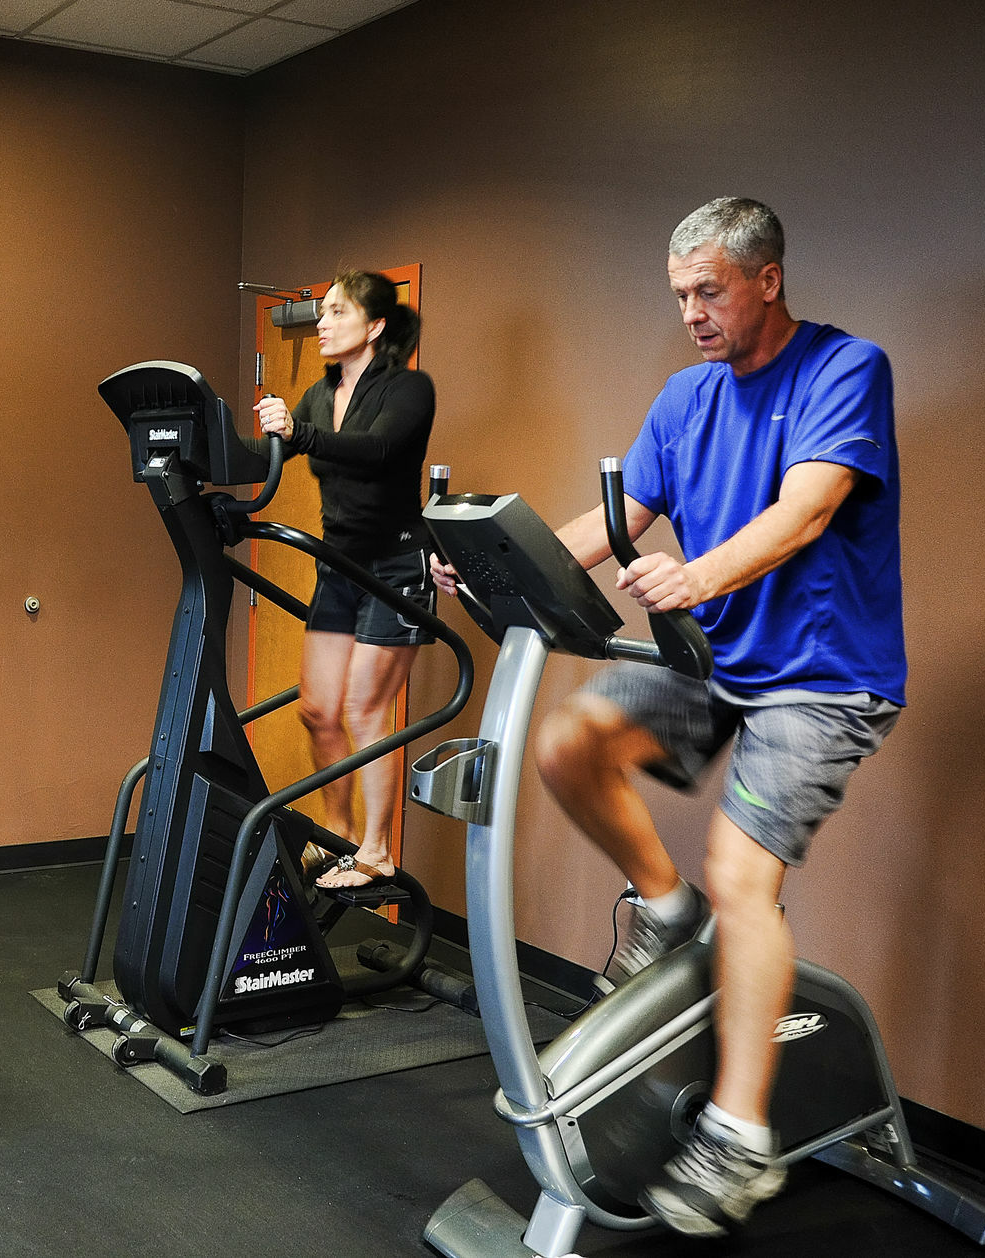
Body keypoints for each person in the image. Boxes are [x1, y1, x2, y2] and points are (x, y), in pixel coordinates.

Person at [432, 198, 904, 1237]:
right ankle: (661, 908)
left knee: (743, 873)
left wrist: (694, 577)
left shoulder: (841, 369)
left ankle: (738, 1136)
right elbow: (609, 529)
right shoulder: (684, 397)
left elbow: (805, 509)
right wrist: (490, 559)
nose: (690, 311)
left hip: (821, 676)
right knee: (567, 742)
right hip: (719, 657)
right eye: (678, 294)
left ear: (766, 279)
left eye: (708, 290)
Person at [255, 272, 434, 890]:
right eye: (322, 312)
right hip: (339, 565)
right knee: (317, 711)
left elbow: (378, 449)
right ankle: (338, 838)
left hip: (397, 565)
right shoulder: (318, 392)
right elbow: (269, 456)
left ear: (375, 326)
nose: (323, 322)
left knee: (365, 708)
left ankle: (376, 850)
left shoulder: (409, 389)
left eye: (336, 312)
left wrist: (297, 433)